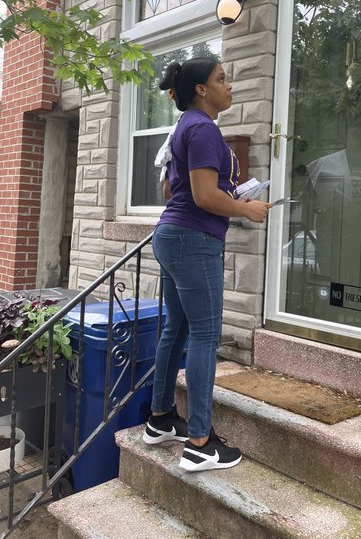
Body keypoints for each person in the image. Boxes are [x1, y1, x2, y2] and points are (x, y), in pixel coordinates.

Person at [143, 57, 271, 472]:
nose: (229, 85)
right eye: (221, 79)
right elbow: (202, 196)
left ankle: (160, 419)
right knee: (204, 336)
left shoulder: (185, 129)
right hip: (194, 238)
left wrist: (232, 195)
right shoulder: (201, 129)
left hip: (174, 235)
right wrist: (245, 209)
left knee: (176, 329)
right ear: (201, 89)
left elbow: (170, 189)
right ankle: (199, 442)